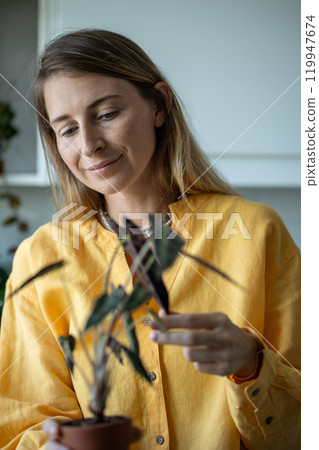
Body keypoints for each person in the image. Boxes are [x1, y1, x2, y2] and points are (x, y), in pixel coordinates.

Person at [0, 29, 300, 449]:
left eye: (105, 114)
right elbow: (21, 424)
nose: (89, 145)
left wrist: (252, 365)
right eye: (66, 130)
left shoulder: (257, 233)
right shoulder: (41, 257)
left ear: (159, 105)